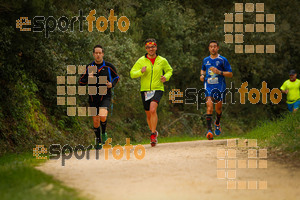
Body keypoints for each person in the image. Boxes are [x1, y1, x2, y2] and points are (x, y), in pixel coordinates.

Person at [130, 38, 173, 147]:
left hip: (158, 88)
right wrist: (141, 71)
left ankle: (153, 134)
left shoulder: (162, 60)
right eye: (148, 47)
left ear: (156, 47)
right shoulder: (141, 61)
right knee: (148, 114)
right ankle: (153, 131)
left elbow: (169, 70)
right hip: (145, 90)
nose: (151, 49)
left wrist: (166, 77)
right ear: (146, 48)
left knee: (153, 109)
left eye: (153, 47)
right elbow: (132, 73)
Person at [79, 45, 119, 149]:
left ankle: (104, 133)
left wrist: (111, 84)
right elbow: (81, 81)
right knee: (96, 120)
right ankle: (98, 141)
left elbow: (116, 77)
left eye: (99, 53)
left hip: (105, 95)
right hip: (93, 97)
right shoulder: (89, 67)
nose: (98, 55)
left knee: (103, 116)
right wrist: (88, 78)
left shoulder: (109, 66)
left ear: (103, 54)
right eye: (96, 53)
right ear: (93, 54)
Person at [200, 40, 233, 140]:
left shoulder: (223, 60)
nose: (213, 48)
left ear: (218, 48)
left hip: (220, 86)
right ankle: (209, 131)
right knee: (209, 108)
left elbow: (230, 74)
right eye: (211, 47)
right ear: (209, 48)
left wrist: (219, 72)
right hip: (208, 86)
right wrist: (202, 75)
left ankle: (217, 123)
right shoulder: (205, 60)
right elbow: (203, 69)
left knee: (218, 109)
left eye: (215, 46)